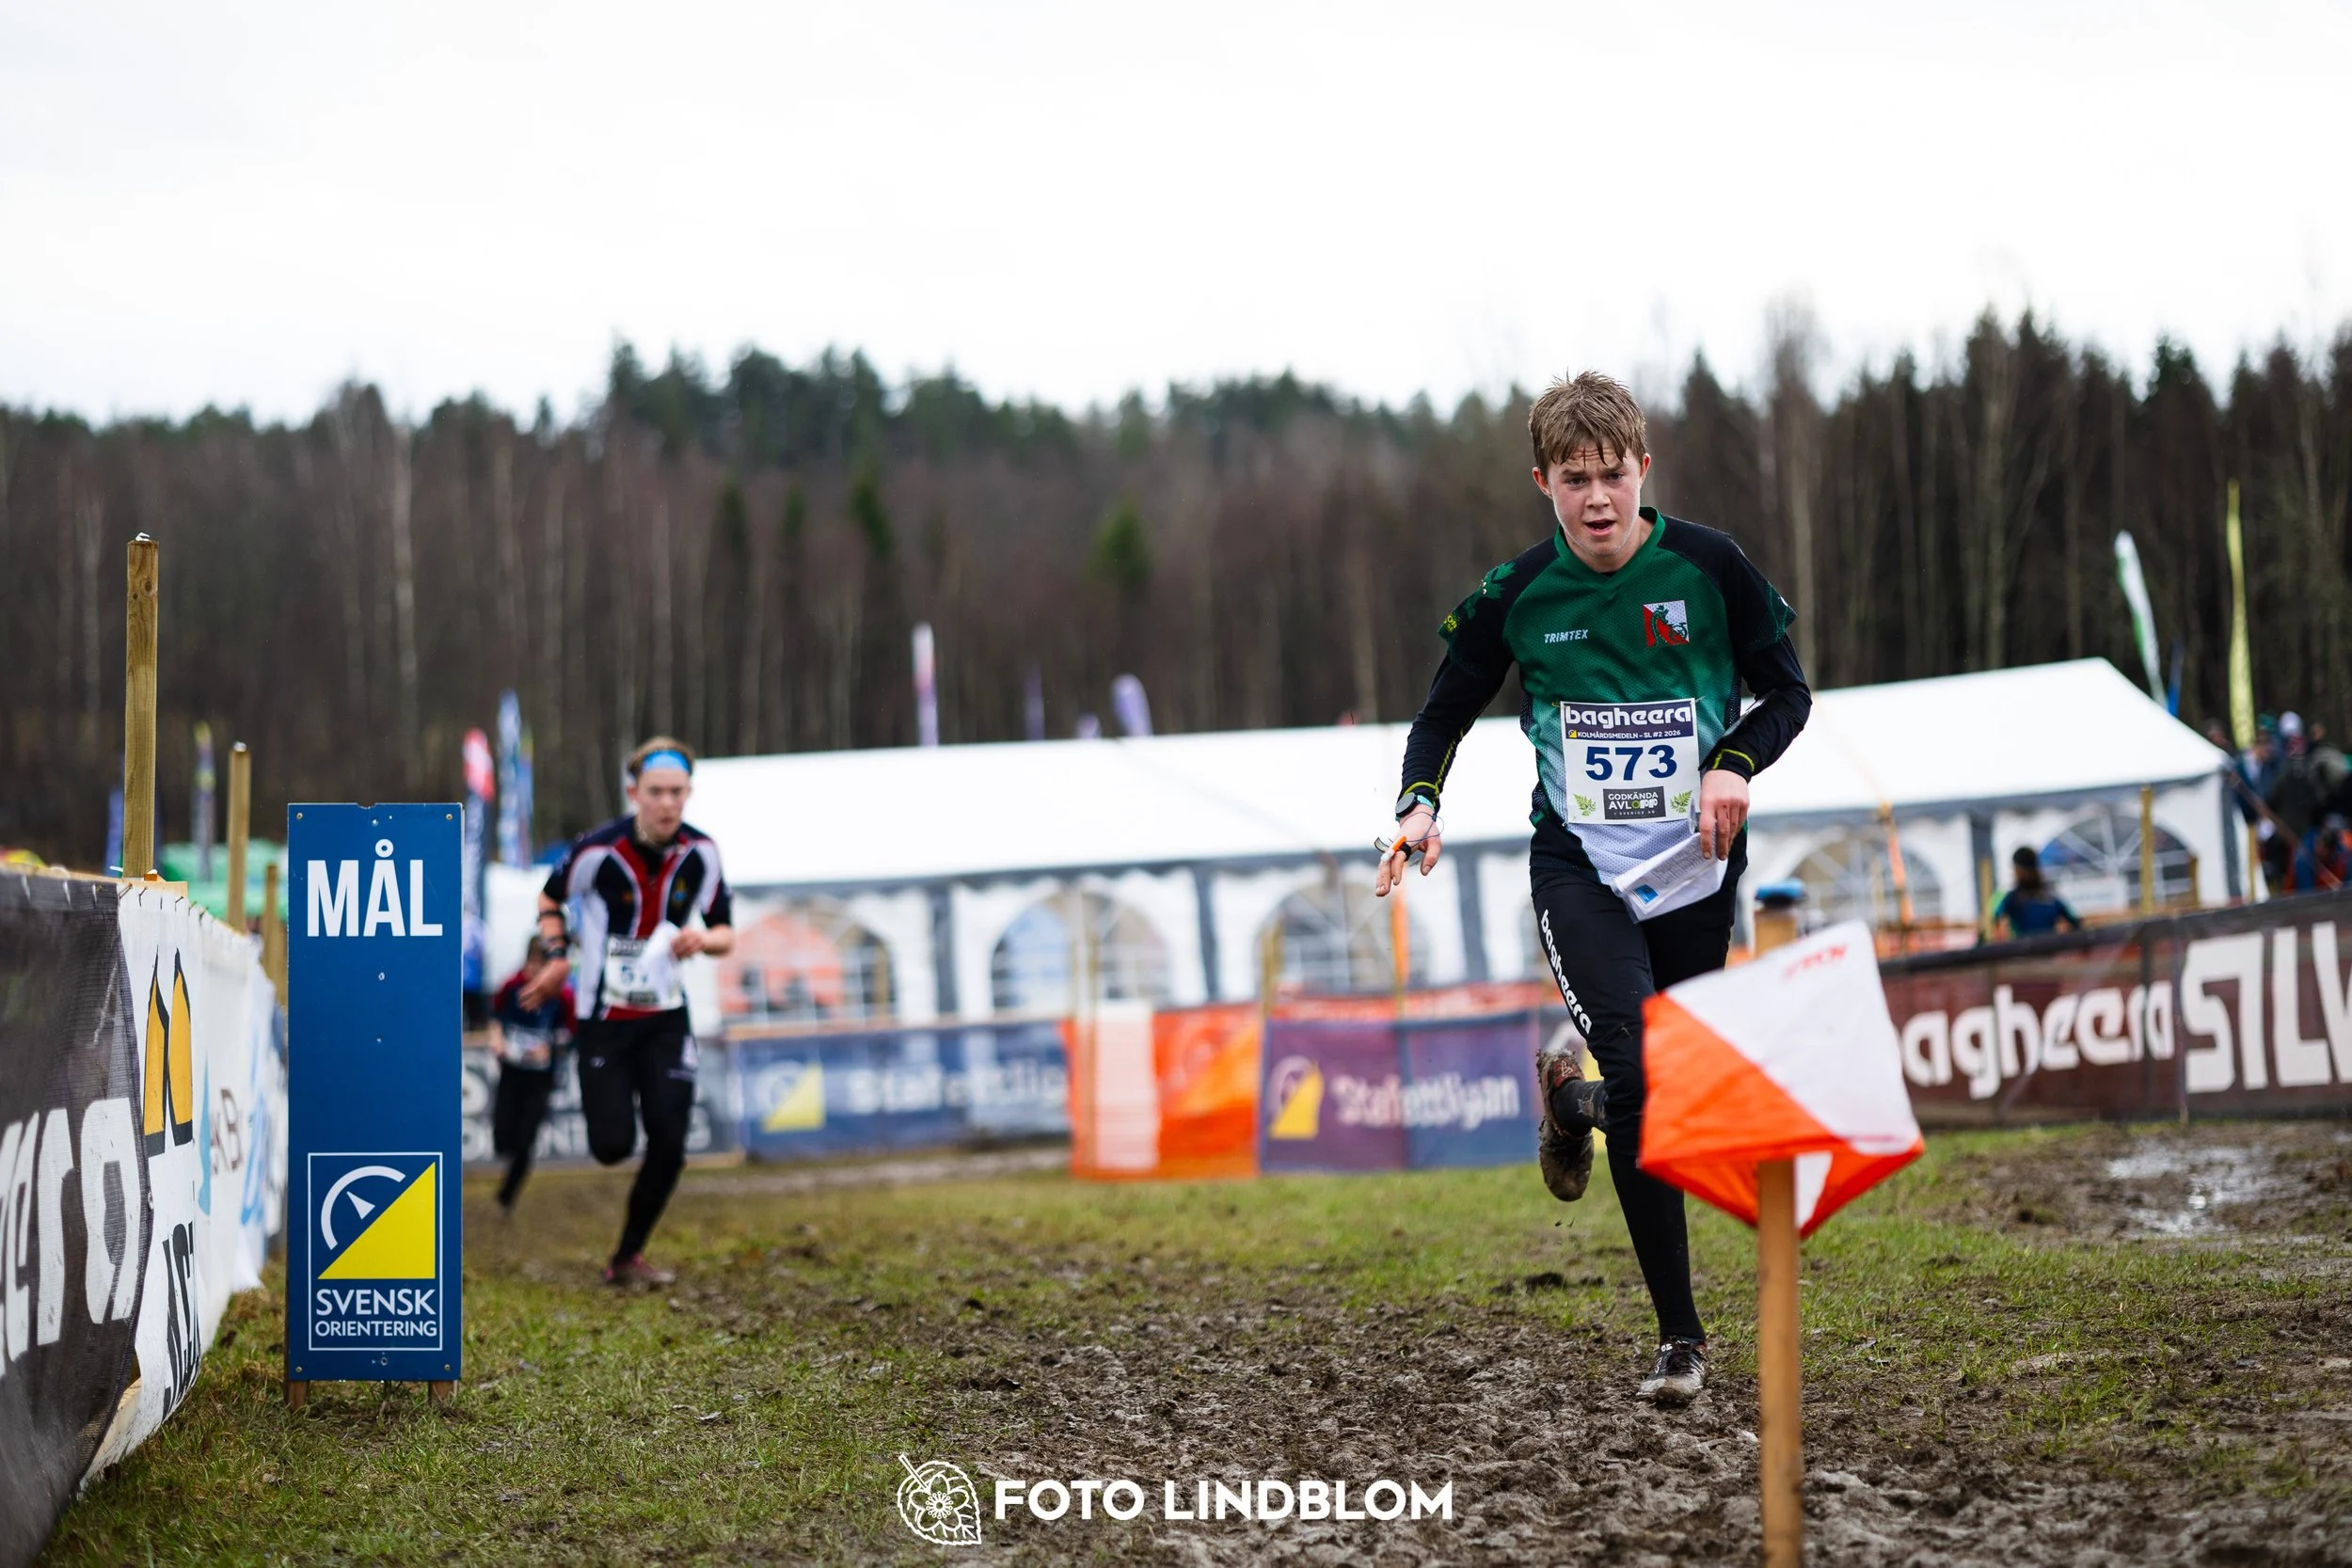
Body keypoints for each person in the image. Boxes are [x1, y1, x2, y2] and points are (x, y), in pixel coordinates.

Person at [1379, 372, 1811, 1407]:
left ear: (1642, 470)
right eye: (1574, 479)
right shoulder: (1516, 594)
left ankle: (1568, 1104)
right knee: (1643, 1068)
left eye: (1613, 474)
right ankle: (1681, 1341)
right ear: (1543, 482)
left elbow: (1788, 691)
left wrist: (1734, 763)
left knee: (1668, 1091)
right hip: (1581, 869)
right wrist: (1418, 803)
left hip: (1698, 868)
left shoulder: (1710, 567)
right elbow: (1442, 713)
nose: (1598, 499)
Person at [524, 737, 735, 1287]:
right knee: (613, 1146)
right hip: (604, 1021)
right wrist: (556, 955)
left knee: (670, 1141)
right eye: (657, 792)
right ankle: (623, 1230)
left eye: (677, 793)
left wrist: (701, 940)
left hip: (666, 1017)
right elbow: (550, 900)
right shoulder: (596, 851)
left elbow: (726, 932)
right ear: (633, 792)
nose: (667, 804)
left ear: (689, 793)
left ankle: (627, 1257)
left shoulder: (702, 852)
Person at [489, 936, 576, 1213]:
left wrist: (551, 1048)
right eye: (532, 965)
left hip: (540, 1079)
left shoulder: (562, 997)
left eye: (541, 967)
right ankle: (508, 1160)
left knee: (526, 1140)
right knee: (503, 1136)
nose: (534, 973)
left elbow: (571, 1034)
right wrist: (498, 1039)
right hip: (512, 1072)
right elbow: (495, 1016)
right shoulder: (511, 986)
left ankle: (507, 1196)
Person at [1990, 847, 2082, 939]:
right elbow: (2075, 923)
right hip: (2047, 947)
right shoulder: (2049, 898)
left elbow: (1994, 919)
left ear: (2017, 870)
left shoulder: (2014, 899)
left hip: (2026, 949)